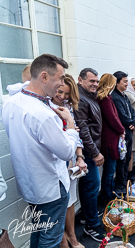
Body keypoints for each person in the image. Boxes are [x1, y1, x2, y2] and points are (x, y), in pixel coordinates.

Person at [2, 54, 81, 247]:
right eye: (61, 78)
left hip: (29, 184)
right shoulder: (43, 115)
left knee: (38, 231)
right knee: (50, 238)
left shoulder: (11, 103)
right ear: (44, 77)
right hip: (50, 187)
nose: (62, 84)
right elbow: (66, 152)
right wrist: (69, 125)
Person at [49, 74, 86, 248]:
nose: (62, 97)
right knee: (59, 201)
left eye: (67, 95)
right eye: (60, 92)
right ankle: (64, 238)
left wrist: (79, 156)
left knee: (70, 199)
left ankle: (72, 236)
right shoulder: (45, 107)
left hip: (69, 157)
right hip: (54, 160)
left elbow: (75, 133)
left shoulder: (67, 107)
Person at [74, 68, 106, 241]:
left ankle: (88, 216)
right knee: (92, 186)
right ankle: (92, 226)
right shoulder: (80, 98)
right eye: (91, 81)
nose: (95, 84)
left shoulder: (88, 96)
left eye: (96, 81)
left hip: (90, 150)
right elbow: (83, 129)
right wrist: (94, 153)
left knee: (88, 186)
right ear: (80, 80)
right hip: (87, 152)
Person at [97, 74, 125, 206]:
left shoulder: (105, 98)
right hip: (109, 139)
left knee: (110, 170)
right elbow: (112, 118)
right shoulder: (104, 99)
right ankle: (107, 197)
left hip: (110, 138)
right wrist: (122, 130)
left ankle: (110, 193)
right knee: (109, 170)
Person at [111, 71, 135, 194]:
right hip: (122, 133)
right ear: (117, 83)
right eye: (125, 81)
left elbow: (132, 111)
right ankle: (120, 186)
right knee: (122, 161)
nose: (127, 84)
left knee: (127, 158)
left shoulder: (124, 95)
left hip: (128, 132)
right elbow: (121, 116)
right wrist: (130, 123)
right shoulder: (115, 97)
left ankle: (125, 182)